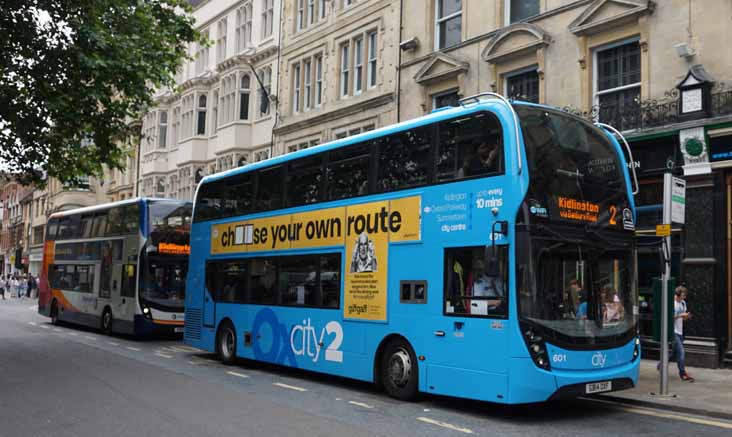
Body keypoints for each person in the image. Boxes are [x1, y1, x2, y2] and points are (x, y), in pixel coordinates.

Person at [658, 285, 694, 382]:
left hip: (680, 331)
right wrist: (681, 315)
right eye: (683, 295)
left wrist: (686, 316)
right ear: (677, 295)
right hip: (673, 331)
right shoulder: (672, 304)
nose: (684, 297)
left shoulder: (683, 303)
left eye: (685, 295)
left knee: (674, 353)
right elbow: (670, 317)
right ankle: (683, 374)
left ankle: (661, 365)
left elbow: (683, 317)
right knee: (681, 352)